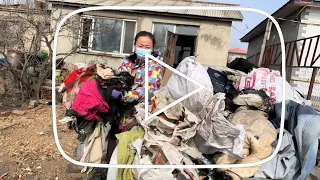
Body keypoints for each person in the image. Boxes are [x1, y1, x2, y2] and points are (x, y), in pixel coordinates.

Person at [117, 31, 163, 131]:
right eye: (140, 46)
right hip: (123, 112)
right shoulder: (128, 61)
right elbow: (120, 78)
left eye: (147, 47)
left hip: (142, 113)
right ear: (135, 46)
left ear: (152, 48)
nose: (143, 49)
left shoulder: (154, 66)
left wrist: (123, 95)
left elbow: (147, 90)